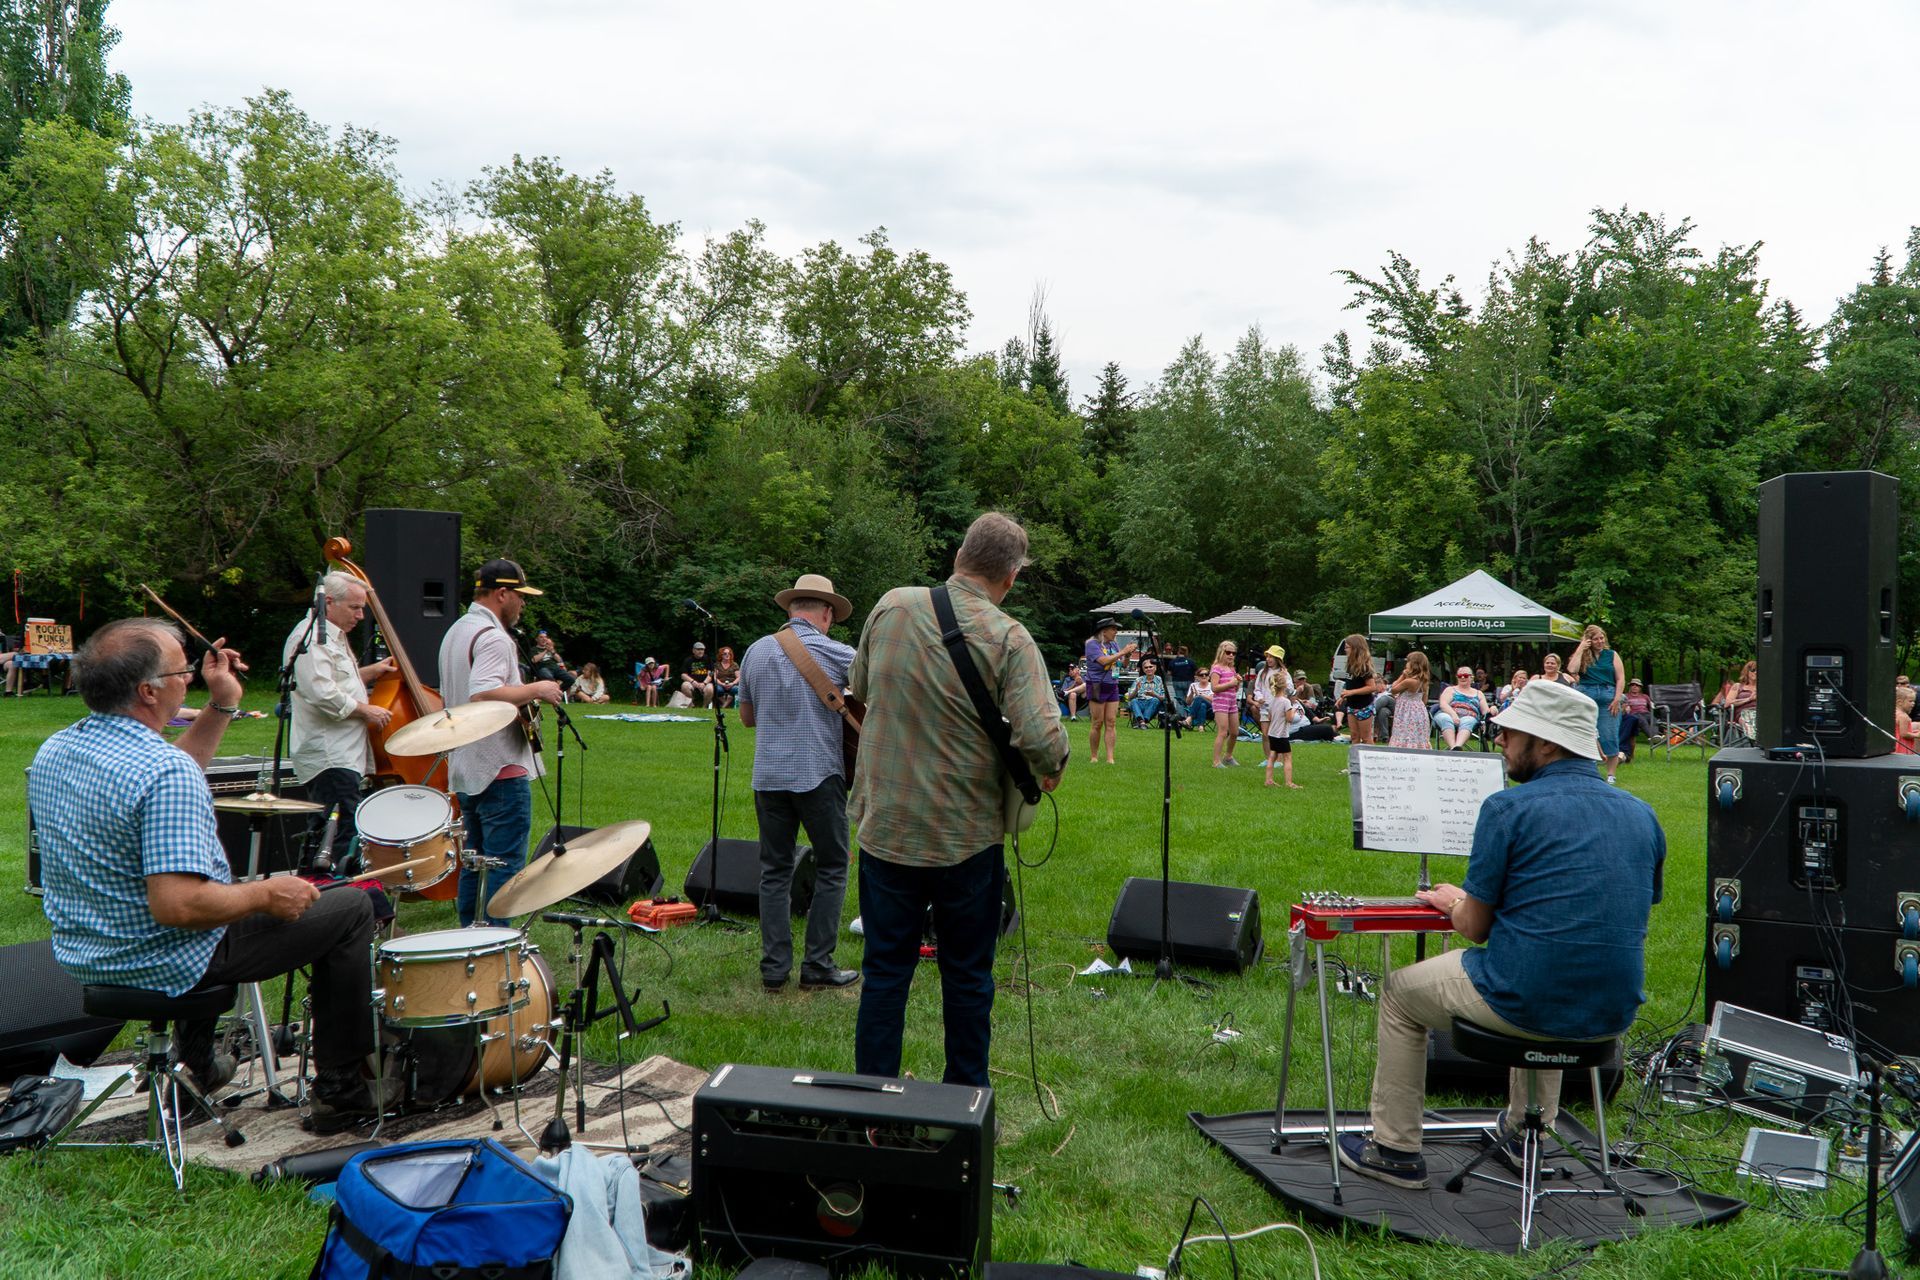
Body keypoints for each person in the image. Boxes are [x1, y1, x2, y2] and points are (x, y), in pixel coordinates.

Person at [30, 619, 387, 1132]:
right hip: (163, 955)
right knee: (352, 907)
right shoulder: (160, 771)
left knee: (218, 897)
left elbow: (168, 769)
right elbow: (179, 907)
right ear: (149, 690)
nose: (191, 679)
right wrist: (264, 893)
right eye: (184, 671)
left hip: (89, 951)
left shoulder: (57, 750)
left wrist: (223, 703)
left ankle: (200, 1062)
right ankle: (343, 1088)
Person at [1336, 678, 1666, 1190]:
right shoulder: (1644, 815)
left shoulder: (1508, 808)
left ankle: (1395, 1149)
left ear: (1549, 744)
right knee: (1551, 967)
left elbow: (1474, 927)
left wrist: (1454, 903)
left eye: (1512, 732)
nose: (1500, 740)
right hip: (1612, 1012)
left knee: (1400, 994)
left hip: (1525, 999)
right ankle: (1525, 1134)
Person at [848, 511, 1068, 1088]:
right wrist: (1050, 769)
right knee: (968, 977)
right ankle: (965, 1105)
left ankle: (871, 1103)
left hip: (886, 825)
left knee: (884, 972)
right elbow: (1043, 739)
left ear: (958, 556)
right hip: (964, 836)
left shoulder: (892, 605)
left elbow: (861, 687)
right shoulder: (1009, 636)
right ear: (1012, 577)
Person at [738, 572, 860, 992]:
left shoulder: (754, 652)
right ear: (826, 613)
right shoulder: (838, 652)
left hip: (768, 775)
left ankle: (774, 970)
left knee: (774, 871)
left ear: (791, 610)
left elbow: (747, 718)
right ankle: (818, 966)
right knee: (832, 867)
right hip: (818, 774)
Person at [438, 558, 563, 928]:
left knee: (473, 861)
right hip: (498, 766)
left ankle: (467, 937)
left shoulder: (458, 630)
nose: (523, 604)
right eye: (520, 596)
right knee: (504, 864)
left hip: (466, 763)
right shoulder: (493, 637)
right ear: (502, 593)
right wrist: (537, 688)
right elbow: (483, 692)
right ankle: (496, 944)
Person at [282, 572, 397, 867]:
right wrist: (366, 710)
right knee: (335, 836)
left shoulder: (331, 634)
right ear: (329, 602)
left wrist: (370, 672)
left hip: (342, 753)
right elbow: (321, 693)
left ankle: (330, 899)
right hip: (330, 753)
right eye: (355, 608)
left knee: (336, 831)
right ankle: (331, 900)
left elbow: (332, 679)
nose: (360, 616)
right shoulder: (312, 637)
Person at [1567, 624, 1626, 783]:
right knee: (1586, 732)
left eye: (1602, 638)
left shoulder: (1612, 654)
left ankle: (1611, 775)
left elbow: (1620, 678)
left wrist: (1617, 699)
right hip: (1586, 695)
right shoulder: (1584, 655)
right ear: (1589, 640)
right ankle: (1589, 770)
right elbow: (1572, 669)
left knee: (1609, 734)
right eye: (1596, 639)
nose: (1600, 641)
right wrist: (1581, 648)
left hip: (1608, 695)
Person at [1083, 619, 1135, 765]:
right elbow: (1104, 661)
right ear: (1103, 631)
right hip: (1096, 685)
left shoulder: (1113, 644)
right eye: (1113, 629)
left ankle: (1110, 758)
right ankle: (1094, 756)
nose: (1116, 632)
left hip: (1112, 684)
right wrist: (1122, 652)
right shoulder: (1092, 644)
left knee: (1111, 722)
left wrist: (1128, 655)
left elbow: (1122, 665)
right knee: (1097, 723)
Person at [1337, 634, 1386, 745]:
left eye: (1347, 647)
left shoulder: (1365, 667)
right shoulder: (1350, 665)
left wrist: (1351, 692)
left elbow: (1372, 687)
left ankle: (1371, 760)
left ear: (1355, 648)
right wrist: (1343, 697)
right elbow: (1350, 684)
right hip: (1351, 705)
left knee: (1366, 737)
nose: (1345, 650)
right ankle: (1355, 761)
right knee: (1354, 736)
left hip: (1364, 706)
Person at [1434, 665, 1490, 750]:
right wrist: (1453, 715)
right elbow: (1443, 704)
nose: (1463, 677)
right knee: (1445, 718)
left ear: (1472, 678)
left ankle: (1458, 746)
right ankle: (1454, 747)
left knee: (1467, 721)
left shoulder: (1478, 693)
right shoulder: (1450, 689)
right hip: (1448, 713)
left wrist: (1492, 709)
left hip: (1469, 716)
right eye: (1460, 676)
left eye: (1466, 675)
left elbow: (1485, 711)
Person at [1264, 668, 1303, 789]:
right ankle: (1289, 782)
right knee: (1287, 757)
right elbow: (1290, 718)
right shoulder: (1286, 702)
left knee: (1272, 756)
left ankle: (1268, 780)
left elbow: (1270, 716)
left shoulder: (1272, 701)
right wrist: (1294, 710)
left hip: (1272, 733)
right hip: (1282, 734)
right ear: (1285, 685)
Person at [1387, 651, 1434, 750]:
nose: (1406, 664)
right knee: (1416, 736)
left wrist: (1403, 676)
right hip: (1419, 711)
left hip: (1406, 713)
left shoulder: (1409, 681)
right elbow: (1424, 700)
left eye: (1408, 662)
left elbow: (1393, 689)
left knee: (1404, 735)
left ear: (1414, 664)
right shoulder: (1424, 681)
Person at [1208, 641, 1241, 767]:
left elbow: (1234, 689)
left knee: (1235, 732)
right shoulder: (1216, 668)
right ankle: (1216, 761)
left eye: (1233, 653)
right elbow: (1214, 688)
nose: (1231, 655)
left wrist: (1238, 682)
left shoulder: (1232, 669)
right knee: (1222, 732)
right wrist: (1230, 684)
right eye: (1228, 652)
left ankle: (1228, 756)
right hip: (1220, 702)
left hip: (1232, 702)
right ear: (1222, 652)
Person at [1126, 658, 1168, 728]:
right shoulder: (1138, 680)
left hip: (1152, 705)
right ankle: (1143, 722)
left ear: (1155, 668)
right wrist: (1136, 689)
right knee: (1133, 701)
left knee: (1155, 700)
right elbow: (1129, 697)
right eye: (1146, 667)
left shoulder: (1159, 680)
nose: (1148, 669)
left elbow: (1164, 698)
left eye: (1150, 667)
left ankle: (1142, 722)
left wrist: (1154, 694)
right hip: (1140, 703)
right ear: (1143, 669)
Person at [1618, 678, 1652, 763]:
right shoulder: (1625, 696)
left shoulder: (1645, 696)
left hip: (1646, 714)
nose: (1634, 687)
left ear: (1640, 687)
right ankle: (1651, 736)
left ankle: (1656, 736)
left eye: (1637, 685)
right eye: (1632, 685)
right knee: (1640, 719)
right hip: (1634, 715)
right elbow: (1623, 707)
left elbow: (1652, 706)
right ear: (1630, 687)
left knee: (1653, 719)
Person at [680, 641, 715, 707]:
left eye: (702, 649)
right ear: (693, 650)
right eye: (698, 649)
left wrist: (704, 683)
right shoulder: (688, 660)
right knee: (684, 685)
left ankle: (704, 707)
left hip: (705, 683)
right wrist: (693, 682)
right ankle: (691, 704)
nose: (700, 651)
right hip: (692, 683)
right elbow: (683, 675)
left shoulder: (708, 659)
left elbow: (711, 673)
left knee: (710, 688)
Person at [1896, 686, 1919, 755]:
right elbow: (1904, 734)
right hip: (1902, 745)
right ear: (1899, 702)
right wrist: (1917, 735)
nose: (1913, 703)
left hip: (1895, 744)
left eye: (1914, 701)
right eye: (1910, 701)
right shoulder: (1903, 716)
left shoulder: (1894, 713)